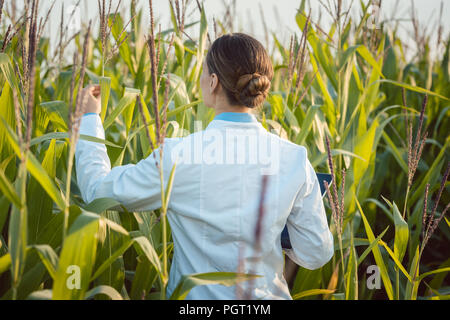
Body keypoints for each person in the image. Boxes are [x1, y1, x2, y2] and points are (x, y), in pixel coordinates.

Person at [75, 33, 334, 300]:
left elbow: (97, 192)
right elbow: (316, 253)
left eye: (204, 73)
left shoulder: (178, 156)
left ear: (213, 82)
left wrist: (89, 118)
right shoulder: (294, 159)